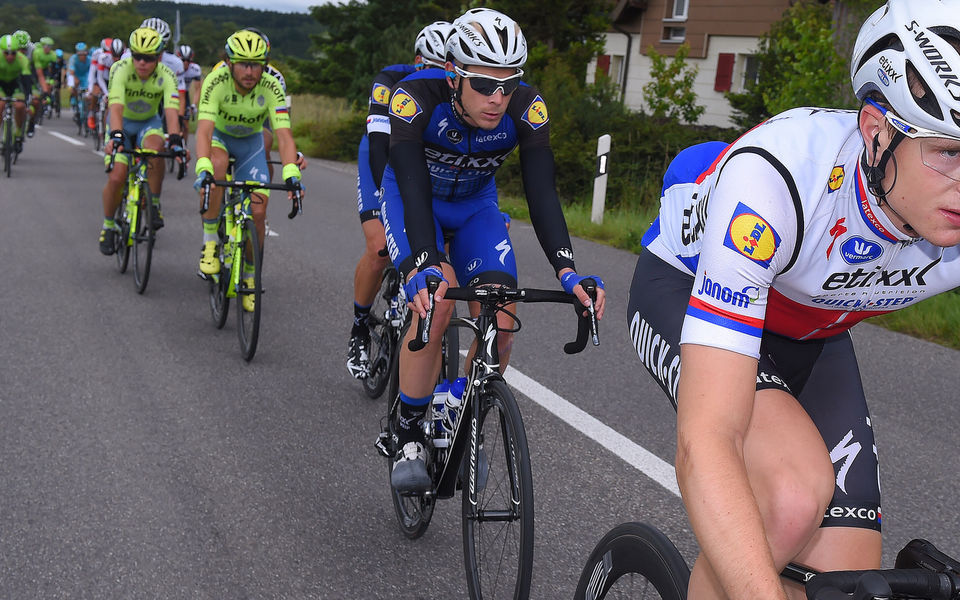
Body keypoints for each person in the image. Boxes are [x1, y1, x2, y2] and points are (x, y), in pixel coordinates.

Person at [625, 1, 960, 598]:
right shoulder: (777, 181)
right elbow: (707, 443)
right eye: (948, 152)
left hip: (813, 329)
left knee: (850, 576)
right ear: (876, 131)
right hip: (687, 287)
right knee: (790, 496)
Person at [383, 8, 606, 492]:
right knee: (437, 303)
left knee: (503, 321)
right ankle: (407, 432)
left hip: (476, 207)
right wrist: (424, 261)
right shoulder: (415, 98)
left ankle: (461, 411)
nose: (498, 98)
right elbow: (412, 186)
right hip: (412, 200)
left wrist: (568, 271)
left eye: (508, 85)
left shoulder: (527, 108)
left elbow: (542, 193)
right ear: (454, 75)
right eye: (484, 85)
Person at [346, 20, 453, 380]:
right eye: (430, 69)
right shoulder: (391, 80)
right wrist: (385, 203)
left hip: (424, 161)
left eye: (446, 70)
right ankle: (360, 327)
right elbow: (379, 145)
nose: (437, 79)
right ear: (416, 61)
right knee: (380, 247)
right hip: (383, 157)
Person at [193, 29, 303, 312]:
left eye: (256, 64)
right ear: (229, 63)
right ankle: (209, 244)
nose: (250, 71)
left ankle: (252, 276)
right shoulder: (215, 80)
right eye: (243, 63)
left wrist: (292, 171)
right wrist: (203, 167)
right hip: (220, 136)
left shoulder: (272, 84)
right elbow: (203, 131)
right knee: (216, 166)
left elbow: (284, 135)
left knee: (257, 213)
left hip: (250, 144)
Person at [99, 27, 184, 256]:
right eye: (137, 56)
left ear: (158, 57)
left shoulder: (167, 74)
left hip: (149, 123)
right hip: (122, 125)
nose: (142, 63)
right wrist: (116, 135)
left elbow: (171, 110)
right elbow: (115, 107)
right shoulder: (120, 69)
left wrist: (176, 139)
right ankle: (108, 225)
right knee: (117, 176)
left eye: (148, 58)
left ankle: (154, 202)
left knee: (156, 150)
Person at [0, 34, 31, 152]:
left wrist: (27, 101)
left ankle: (18, 131)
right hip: (1, 85)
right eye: (6, 53)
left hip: (16, 85)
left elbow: (26, 81)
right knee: (1, 105)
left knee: (20, 106)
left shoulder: (22, 60)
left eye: (13, 53)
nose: (10, 56)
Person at [66, 41, 90, 120]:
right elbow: (71, 73)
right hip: (75, 75)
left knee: (88, 89)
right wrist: (72, 86)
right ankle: (74, 100)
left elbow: (92, 74)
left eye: (83, 54)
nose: (82, 56)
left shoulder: (90, 59)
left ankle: (86, 106)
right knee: (74, 85)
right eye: (79, 54)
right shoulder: (73, 59)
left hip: (85, 76)